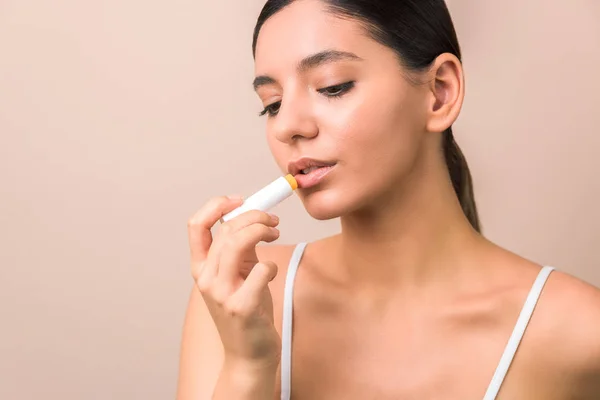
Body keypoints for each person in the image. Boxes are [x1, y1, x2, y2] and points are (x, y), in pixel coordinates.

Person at [177, 1, 600, 399]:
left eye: (332, 86)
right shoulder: (241, 296)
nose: (287, 125)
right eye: (271, 104)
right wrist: (246, 367)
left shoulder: (578, 332)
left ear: (439, 92)